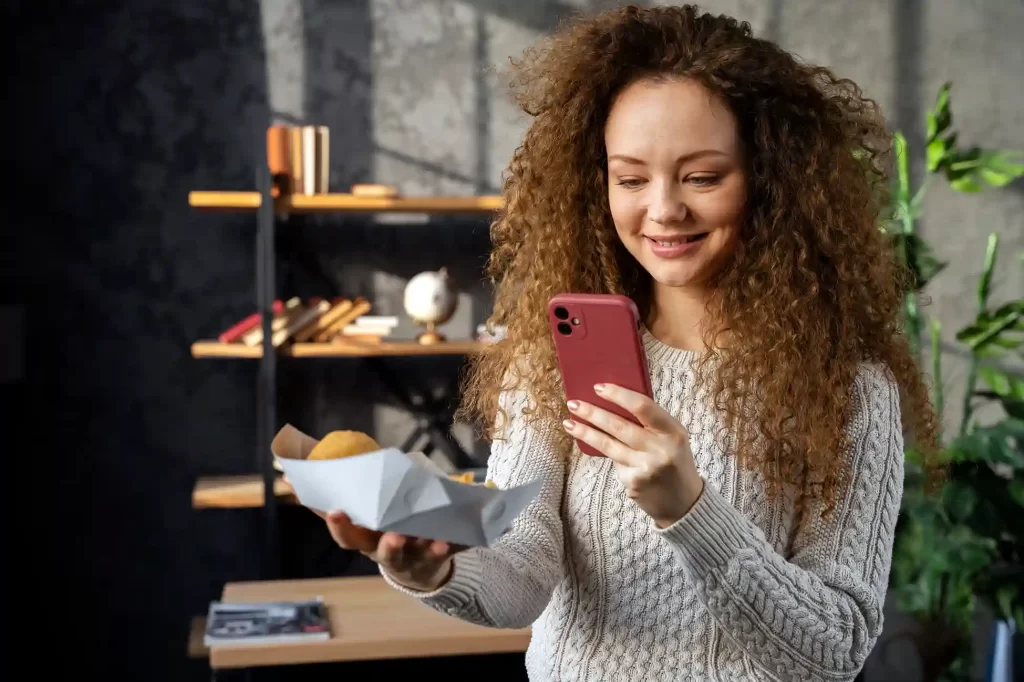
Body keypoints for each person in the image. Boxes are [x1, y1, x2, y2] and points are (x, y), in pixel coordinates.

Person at [311, 5, 941, 681]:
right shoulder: (555, 358)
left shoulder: (847, 388)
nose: (664, 209)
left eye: (702, 176)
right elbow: (522, 573)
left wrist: (691, 512)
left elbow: (836, 650)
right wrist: (437, 566)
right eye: (632, 179)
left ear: (769, 180)